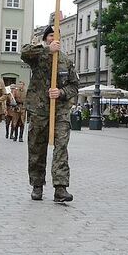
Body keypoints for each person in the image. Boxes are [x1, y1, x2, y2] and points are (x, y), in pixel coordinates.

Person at [20, 24, 79, 202]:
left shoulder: (66, 60)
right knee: (37, 147)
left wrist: (61, 92)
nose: (54, 38)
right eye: (50, 36)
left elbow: (74, 86)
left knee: (61, 147)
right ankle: (37, 186)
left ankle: (60, 188)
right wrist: (46, 50)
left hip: (60, 110)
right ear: (46, 39)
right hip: (39, 110)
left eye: (56, 36)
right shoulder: (38, 56)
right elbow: (24, 53)